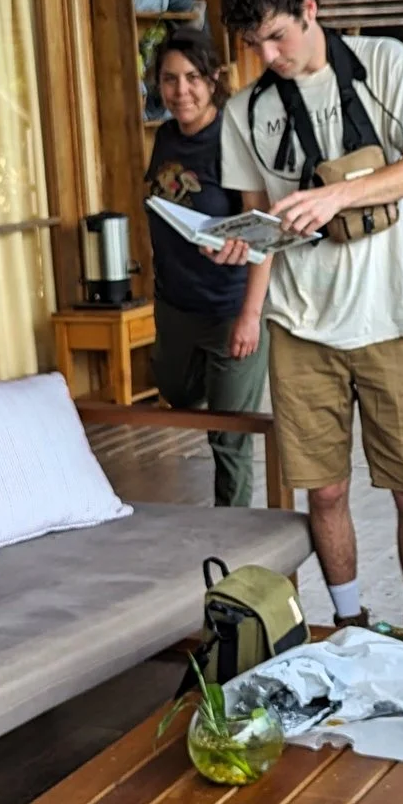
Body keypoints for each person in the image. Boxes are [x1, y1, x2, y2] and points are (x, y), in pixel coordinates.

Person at [216, 0, 403, 630]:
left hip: (387, 317)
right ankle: (347, 624)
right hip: (299, 325)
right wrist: (238, 252)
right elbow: (260, 221)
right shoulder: (244, 109)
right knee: (324, 493)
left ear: (310, 10)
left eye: (278, 36)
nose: (269, 55)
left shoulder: (384, 64)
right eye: (254, 44)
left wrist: (339, 195)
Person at [146, 32, 269, 506]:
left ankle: (232, 542)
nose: (182, 91)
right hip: (176, 303)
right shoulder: (164, 138)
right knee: (176, 392)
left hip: (229, 306)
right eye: (170, 79)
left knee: (228, 436)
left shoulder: (235, 137)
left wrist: (250, 316)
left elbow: (265, 231)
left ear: (214, 78)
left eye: (193, 78)